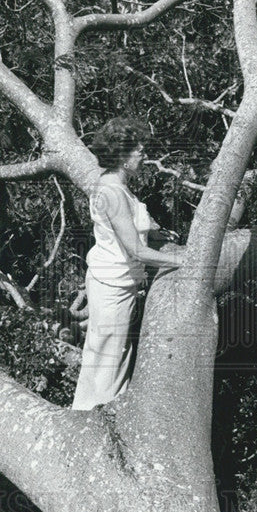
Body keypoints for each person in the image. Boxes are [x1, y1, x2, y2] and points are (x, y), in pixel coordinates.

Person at [70, 117, 184, 411]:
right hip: (114, 288)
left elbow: (127, 224)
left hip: (110, 282)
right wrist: (181, 260)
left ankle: (88, 416)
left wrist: (155, 230)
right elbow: (136, 250)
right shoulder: (113, 192)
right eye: (138, 149)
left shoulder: (112, 183)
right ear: (122, 154)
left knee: (103, 356)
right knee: (110, 361)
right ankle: (100, 424)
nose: (144, 153)